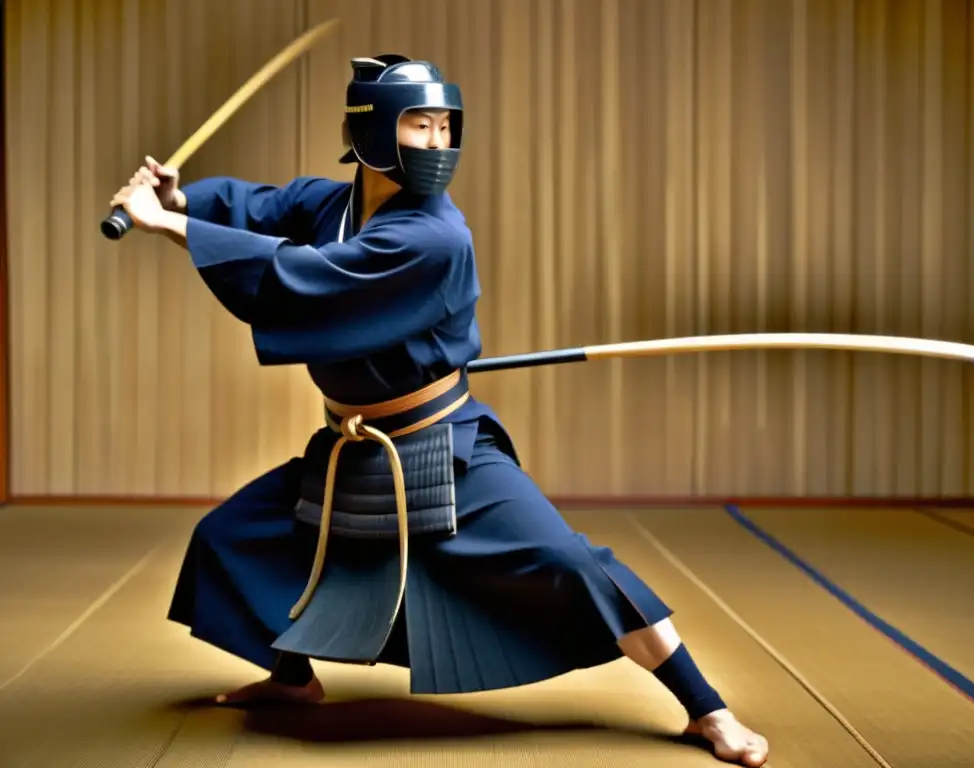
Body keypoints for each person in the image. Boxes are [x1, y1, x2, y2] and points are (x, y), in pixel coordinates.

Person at [108, 54, 769, 767]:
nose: (436, 143)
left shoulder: (434, 234)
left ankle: (707, 709)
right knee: (232, 538)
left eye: (444, 126)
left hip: (442, 442)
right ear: (369, 133)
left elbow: (300, 277)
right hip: (350, 447)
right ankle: (293, 681)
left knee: (568, 562)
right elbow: (258, 207)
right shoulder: (330, 206)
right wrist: (181, 203)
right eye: (417, 124)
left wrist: (165, 229)